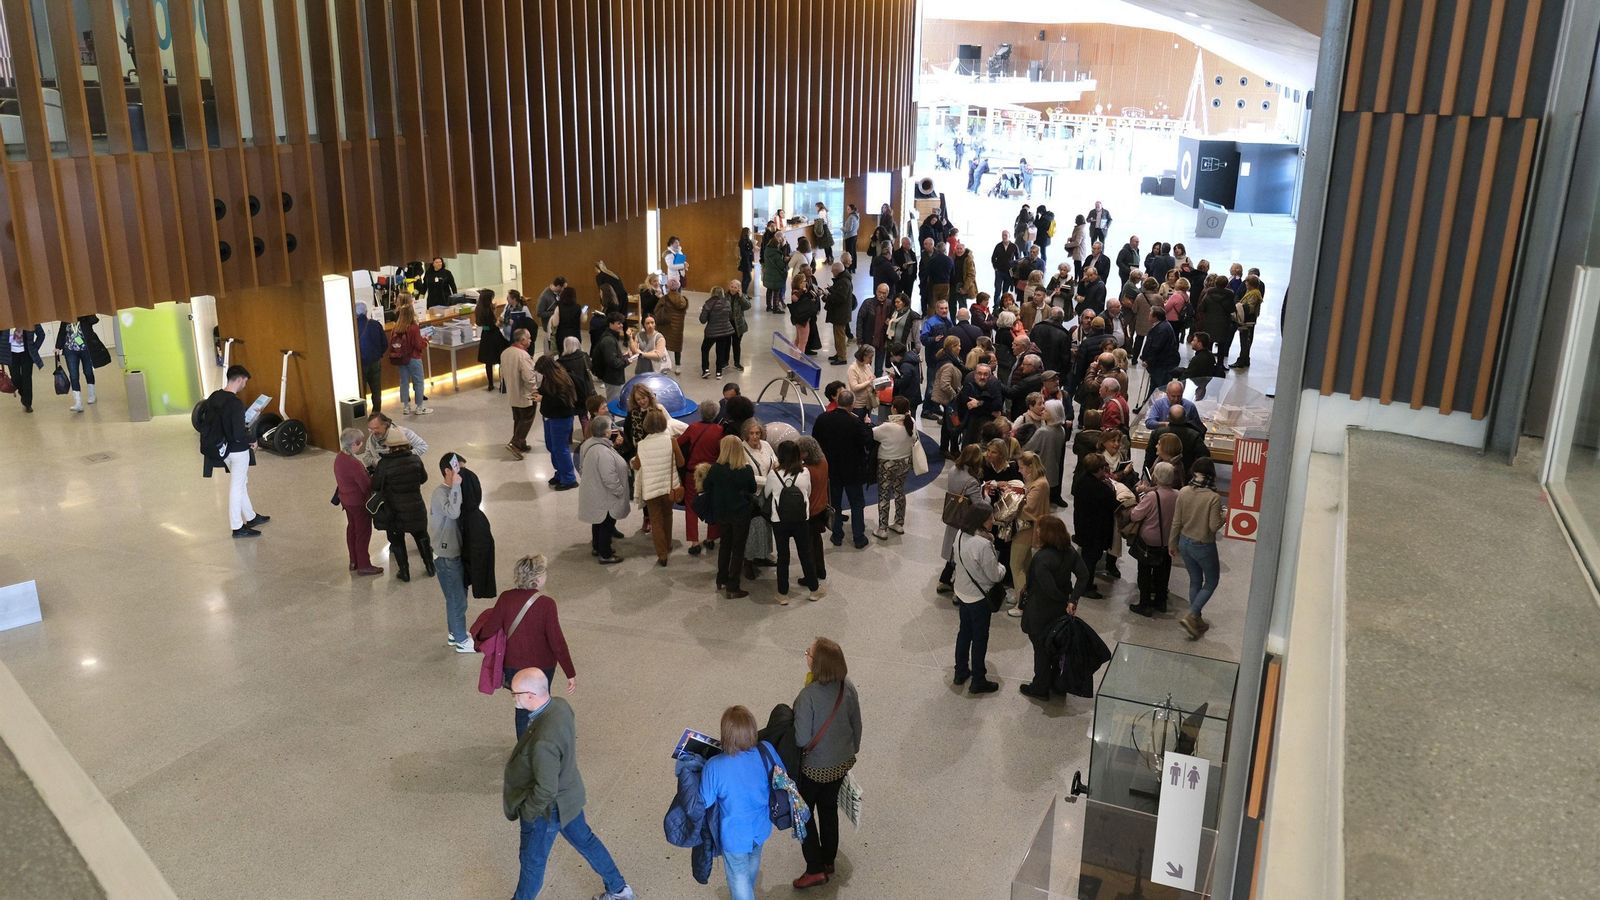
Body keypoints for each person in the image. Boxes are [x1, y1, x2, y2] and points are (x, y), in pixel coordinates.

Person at [501, 665, 634, 900]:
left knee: (533, 863)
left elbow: (545, 789)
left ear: (530, 696)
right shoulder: (560, 706)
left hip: (548, 810)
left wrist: (528, 813)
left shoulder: (543, 742)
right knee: (586, 841)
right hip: (570, 796)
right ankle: (619, 889)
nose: (513, 698)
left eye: (515, 694)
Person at [791, 638, 863, 888]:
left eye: (808, 653)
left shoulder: (807, 696)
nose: (806, 655)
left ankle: (814, 868)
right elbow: (857, 725)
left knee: (803, 812)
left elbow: (801, 739)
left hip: (814, 768)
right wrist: (848, 752)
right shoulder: (848, 687)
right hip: (841, 764)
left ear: (817, 664)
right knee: (829, 808)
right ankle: (829, 860)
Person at [700, 705, 787, 900]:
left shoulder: (715, 766)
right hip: (761, 828)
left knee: (738, 874)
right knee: (752, 863)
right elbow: (781, 776)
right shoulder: (767, 751)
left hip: (734, 835)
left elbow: (704, 801)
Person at [1018, 516, 1090, 697]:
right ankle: (1058, 684)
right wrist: (1072, 600)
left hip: (1039, 611)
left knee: (1041, 650)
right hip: (1060, 614)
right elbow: (1083, 575)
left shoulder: (1042, 558)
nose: (1037, 532)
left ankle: (1040, 687)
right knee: (1057, 648)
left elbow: (1048, 588)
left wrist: (1065, 600)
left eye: (1040, 529)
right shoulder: (1069, 551)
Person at [200, 364, 269, 538]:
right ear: (239, 379)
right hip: (238, 452)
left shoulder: (215, 396)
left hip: (223, 450)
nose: (245, 385)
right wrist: (252, 441)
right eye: (245, 381)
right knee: (237, 486)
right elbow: (238, 433)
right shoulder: (235, 403)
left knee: (241, 482)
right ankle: (237, 527)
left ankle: (251, 516)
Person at [952, 503, 1004, 695]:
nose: (993, 521)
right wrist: (1003, 568)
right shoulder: (983, 544)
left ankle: (960, 671)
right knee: (980, 638)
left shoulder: (959, 534)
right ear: (981, 521)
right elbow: (994, 575)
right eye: (990, 518)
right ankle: (978, 680)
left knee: (964, 633)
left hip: (962, 592)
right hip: (979, 598)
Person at [1172, 458, 1225, 639]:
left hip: (1184, 542)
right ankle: (1192, 614)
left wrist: (1172, 544)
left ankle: (1197, 621)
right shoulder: (1213, 498)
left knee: (1195, 580)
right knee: (1211, 581)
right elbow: (1213, 526)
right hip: (1203, 545)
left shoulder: (1184, 491)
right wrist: (1224, 517)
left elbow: (1176, 521)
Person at [812, 392, 873, 549]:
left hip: (831, 471)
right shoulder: (855, 422)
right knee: (857, 503)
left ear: (837, 401)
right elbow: (867, 441)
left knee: (835, 504)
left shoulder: (822, 419)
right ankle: (858, 537)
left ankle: (837, 535)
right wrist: (867, 425)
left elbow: (815, 442)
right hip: (853, 471)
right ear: (851, 404)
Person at [371, 426, 432, 580]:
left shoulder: (384, 465)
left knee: (397, 540)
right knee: (421, 536)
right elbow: (424, 479)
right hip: (416, 507)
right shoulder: (415, 459)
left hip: (394, 510)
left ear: (389, 446)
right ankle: (430, 566)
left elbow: (376, 486)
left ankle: (404, 572)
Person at [429, 453, 476, 652]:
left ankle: (453, 632)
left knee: (456, 596)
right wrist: (456, 486)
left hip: (453, 552)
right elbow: (453, 512)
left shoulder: (453, 490)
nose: (461, 475)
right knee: (457, 599)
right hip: (447, 556)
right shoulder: (441, 493)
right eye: (458, 470)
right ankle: (460, 641)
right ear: (448, 471)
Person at [703, 436, 757, 598]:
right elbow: (753, 489)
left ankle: (721, 578)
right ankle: (733, 586)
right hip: (740, 514)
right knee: (738, 549)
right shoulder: (746, 470)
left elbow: (706, 487)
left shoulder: (715, 469)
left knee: (725, 545)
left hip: (722, 513)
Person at [767, 440, 821, 603]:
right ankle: (814, 590)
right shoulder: (805, 473)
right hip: (801, 520)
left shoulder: (773, 474)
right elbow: (808, 492)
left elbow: (766, 494)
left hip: (779, 520)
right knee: (805, 554)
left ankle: (783, 594)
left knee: (783, 556)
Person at [632, 407, 684, 566]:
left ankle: (662, 555)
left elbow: (637, 465)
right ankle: (668, 545)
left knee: (655, 521)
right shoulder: (671, 441)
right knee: (668, 516)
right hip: (669, 488)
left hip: (651, 490)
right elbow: (681, 462)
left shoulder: (641, 445)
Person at [1128, 461, 1180, 616]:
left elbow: (1135, 515)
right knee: (1163, 573)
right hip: (1168, 541)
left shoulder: (1152, 496)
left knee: (1144, 572)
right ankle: (1160, 601)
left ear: (1156, 477)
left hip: (1149, 541)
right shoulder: (1177, 495)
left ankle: (1144, 604)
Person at [577, 417, 629, 565]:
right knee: (606, 523)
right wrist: (620, 490)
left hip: (593, 492)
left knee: (597, 521)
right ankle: (605, 554)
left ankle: (597, 547)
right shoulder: (603, 452)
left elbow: (582, 468)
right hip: (605, 495)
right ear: (606, 432)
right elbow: (609, 478)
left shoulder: (588, 445)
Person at [1006, 451, 1051, 617]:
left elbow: (1027, 509)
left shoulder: (1039, 485)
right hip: (1027, 528)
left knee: (1016, 566)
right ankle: (1025, 597)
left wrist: (1011, 499)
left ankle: (1022, 604)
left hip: (1027, 529)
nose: (1019, 471)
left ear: (1030, 467)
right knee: (1025, 566)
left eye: (1022, 467)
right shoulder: (1037, 482)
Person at [937, 445, 985, 594]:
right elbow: (979, 505)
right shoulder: (971, 481)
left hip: (953, 515)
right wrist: (987, 494)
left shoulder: (953, 470)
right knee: (961, 553)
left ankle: (944, 580)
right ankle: (958, 590)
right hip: (966, 520)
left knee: (952, 549)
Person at [334, 428, 382, 575]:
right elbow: (365, 485)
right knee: (363, 533)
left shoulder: (339, 458)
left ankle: (353, 561)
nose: (361, 445)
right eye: (360, 442)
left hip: (346, 500)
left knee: (352, 530)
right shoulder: (354, 464)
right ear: (354, 444)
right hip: (358, 503)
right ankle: (364, 565)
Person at [680, 402, 725, 556]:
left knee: (691, 506)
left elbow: (679, 443)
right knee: (713, 504)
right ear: (716, 414)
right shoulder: (720, 431)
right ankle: (711, 537)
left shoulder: (693, 428)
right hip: (712, 474)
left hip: (692, 473)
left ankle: (694, 541)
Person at [1071, 452, 1117, 599]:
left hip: (1083, 525)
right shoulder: (1100, 489)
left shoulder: (1081, 480)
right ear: (1099, 469)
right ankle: (1085, 587)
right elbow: (1114, 505)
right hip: (1096, 530)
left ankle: (1086, 584)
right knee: (1091, 559)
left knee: (1087, 557)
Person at [871, 396, 916, 538]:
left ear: (894, 409)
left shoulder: (887, 427)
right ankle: (899, 523)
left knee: (884, 494)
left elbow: (873, 435)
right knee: (899, 491)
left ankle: (882, 529)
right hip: (904, 462)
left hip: (887, 463)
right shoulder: (911, 422)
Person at [534, 355, 579, 489]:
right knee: (552, 447)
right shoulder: (550, 377)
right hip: (550, 416)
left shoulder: (561, 380)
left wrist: (543, 399)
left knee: (560, 449)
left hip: (560, 418)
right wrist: (538, 392)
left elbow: (563, 401)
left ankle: (569, 479)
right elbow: (548, 391)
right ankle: (560, 473)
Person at [502, 328, 539, 460]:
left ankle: (521, 443)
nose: (530, 340)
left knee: (518, 418)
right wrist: (535, 390)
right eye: (528, 338)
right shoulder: (523, 356)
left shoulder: (505, 352)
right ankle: (516, 443)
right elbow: (529, 377)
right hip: (525, 394)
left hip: (513, 393)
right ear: (522, 340)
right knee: (527, 419)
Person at [388, 303, 432, 415]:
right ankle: (419, 407)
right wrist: (425, 341)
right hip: (414, 358)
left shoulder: (396, 328)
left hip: (401, 358)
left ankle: (406, 407)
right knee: (418, 382)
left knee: (404, 382)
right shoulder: (413, 328)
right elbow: (418, 345)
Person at [1139, 307, 1180, 402]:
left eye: (1150, 314)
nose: (1148, 316)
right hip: (1160, 363)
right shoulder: (1161, 326)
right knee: (1154, 386)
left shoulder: (1162, 329)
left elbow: (1156, 347)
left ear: (1155, 317)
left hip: (1163, 364)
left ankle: (1155, 406)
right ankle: (1147, 405)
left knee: (1160, 387)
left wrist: (1147, 360)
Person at [695, 286, 735, 378]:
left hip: (711, 332)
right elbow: (730, 316)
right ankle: (719, 373)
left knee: (705, 349)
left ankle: (705, 370)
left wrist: (704, 312)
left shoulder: (708, 304)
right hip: (724, 331)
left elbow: (702, 320)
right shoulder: (727, 303)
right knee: (720, 351)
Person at [354, 304, 387, 410]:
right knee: (376, 390)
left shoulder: (353, 327)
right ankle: (376, 413)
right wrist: (378, 354)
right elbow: (385, 344)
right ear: (366, 312)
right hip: (375, 362)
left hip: (360, 364)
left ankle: (362, 415)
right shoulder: (376, 324)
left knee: (361, 391)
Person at [476, 292, 510, 390]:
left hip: (485, 336)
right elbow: (494, 324)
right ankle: (503, 382)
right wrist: (500, 320)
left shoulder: (479, 309)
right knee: (501, 358)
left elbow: (484, 324)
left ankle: (490, 383)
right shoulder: (487, 310)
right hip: (494, 335)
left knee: (488, 361)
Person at [592, 313, 630, 400]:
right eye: (618, 323)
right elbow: (613, 362)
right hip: (612, 378)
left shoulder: (610, 336)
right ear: (611, 324)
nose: (621, 325)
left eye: (622, 323)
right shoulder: (608, 340)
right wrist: (627, 361)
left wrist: (623, 356)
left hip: (612, 377)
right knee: (613, 402)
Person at [823, 261, 854, 364]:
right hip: (839, 313)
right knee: (837, 335)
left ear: (837, 271)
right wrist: (830, 290)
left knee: (840, 336)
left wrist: (828, 296)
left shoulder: (844, 281)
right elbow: (839, 292)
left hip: (841, 313)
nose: (832, 272)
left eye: (833, 271)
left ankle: (842, 357)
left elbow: (841, 297)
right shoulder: (842, 279)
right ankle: (839, 353)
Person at [658, 278, 689, 367]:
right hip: (678, 328)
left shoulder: (664, 299)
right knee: (677, 347)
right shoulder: (682, 299)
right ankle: (678, 366)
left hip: (666, 326)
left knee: (664, 346)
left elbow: (657, 310)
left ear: (668, 286)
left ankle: (665, 365)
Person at [846, 346, 876, 420]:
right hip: (857, 405)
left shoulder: (867, 366)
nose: (871, 360)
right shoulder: (852, 369)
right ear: (863, 356)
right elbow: (854, 387)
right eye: (870, 357)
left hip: (868, 403)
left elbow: (872, 379)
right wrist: (869, 382)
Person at [1185, 333, 1217, 400]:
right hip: (1205, 387)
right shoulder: (1210, 355)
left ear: (1199, 343)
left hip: (1198, 388)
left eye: (1194, 340)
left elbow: (1188, 375)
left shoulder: (1198, 359)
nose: (1191, 342)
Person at [841, 203, 860, 272]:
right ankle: (853, 267)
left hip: (850, 237)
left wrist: (842, 228)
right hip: (854, 235)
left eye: (848, 209)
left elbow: (848, 229)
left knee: (849, 253)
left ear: (852, 210)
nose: (847, 210)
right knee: (853, 252)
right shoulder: (856, 216)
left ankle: (849, 268)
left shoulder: (851, 217)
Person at [738, 228, 755, 298]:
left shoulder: (747, 240)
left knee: (746, 278)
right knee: (747, 278)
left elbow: (750, 248)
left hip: (748, 261)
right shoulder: (742, 241)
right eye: (749, 232)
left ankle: (744, 294)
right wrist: (750, 252)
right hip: (745, 262)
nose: (750, 233)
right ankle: (743, 294)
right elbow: (744, 252)